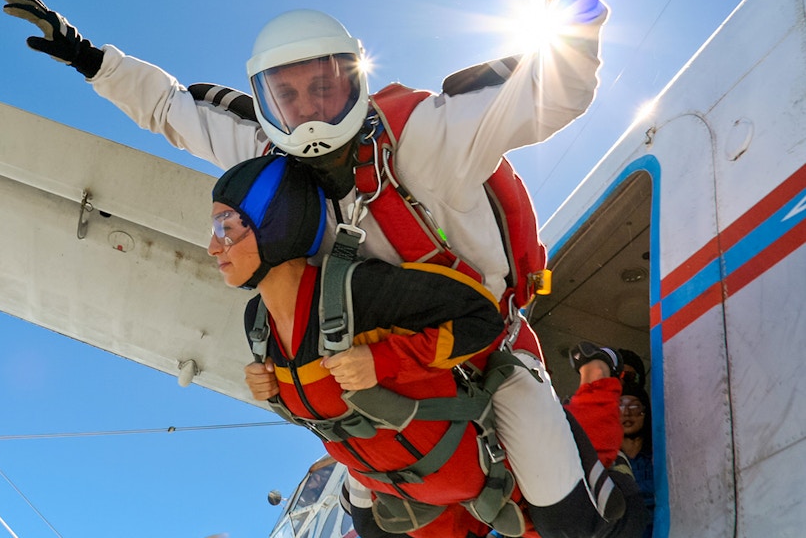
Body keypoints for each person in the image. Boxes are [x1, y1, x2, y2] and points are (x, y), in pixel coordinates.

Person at [5, 0, 619, 530]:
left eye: (325, 85)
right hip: (372, 375)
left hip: (485, 353)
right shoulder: (269, 161)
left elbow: (554, 92)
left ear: (354, 78)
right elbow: (173, 112)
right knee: (370, 521)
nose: (311, 109)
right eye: (288, 94)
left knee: (568, 523)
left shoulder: (424, 139)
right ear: (265, 101)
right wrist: (92, 59)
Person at [214, 155, 649, 538]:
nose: (213, 246)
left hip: (460, 448)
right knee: (372, 528)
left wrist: (382, 360)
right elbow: (319, 401)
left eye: (226, 228)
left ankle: (598, 392)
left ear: (274, 223)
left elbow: (482, 319)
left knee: (572, 525)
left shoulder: (357, 291)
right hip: (403, 476)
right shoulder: (258, 325)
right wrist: (274, 391)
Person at [619, 380, 655, 538]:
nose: (626, 413)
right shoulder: (605, 462)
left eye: (634, 406)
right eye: (620, 405)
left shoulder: (659, 459)